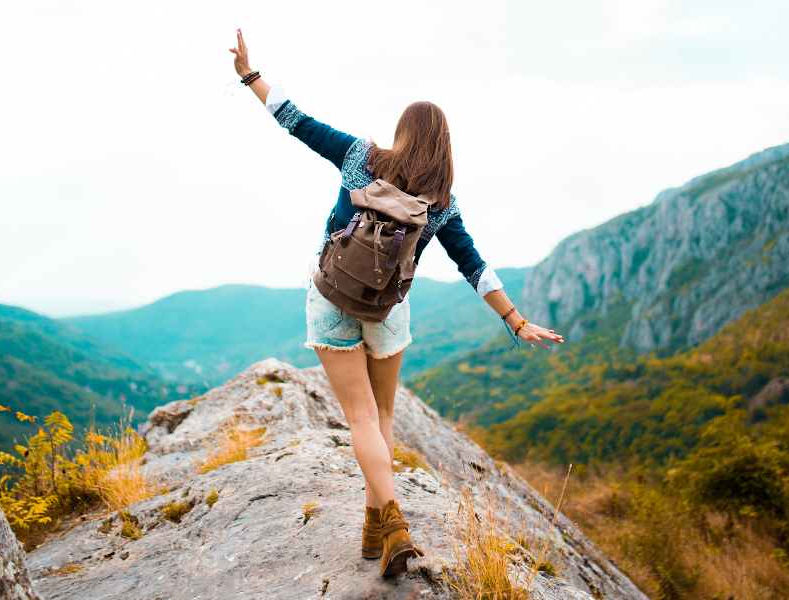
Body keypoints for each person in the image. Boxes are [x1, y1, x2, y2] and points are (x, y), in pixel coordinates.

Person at [229, 29, 563, 576]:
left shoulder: (361, 157)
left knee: (359, 418)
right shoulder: (442, 204)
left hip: (332, 297)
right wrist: (516, 320)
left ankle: (394, 526)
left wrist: (248, 75)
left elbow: (294, 118)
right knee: (382, 416)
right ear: (444, 145)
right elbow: (474, 267)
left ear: (403, 133)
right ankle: (375, 530)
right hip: (388, 311)